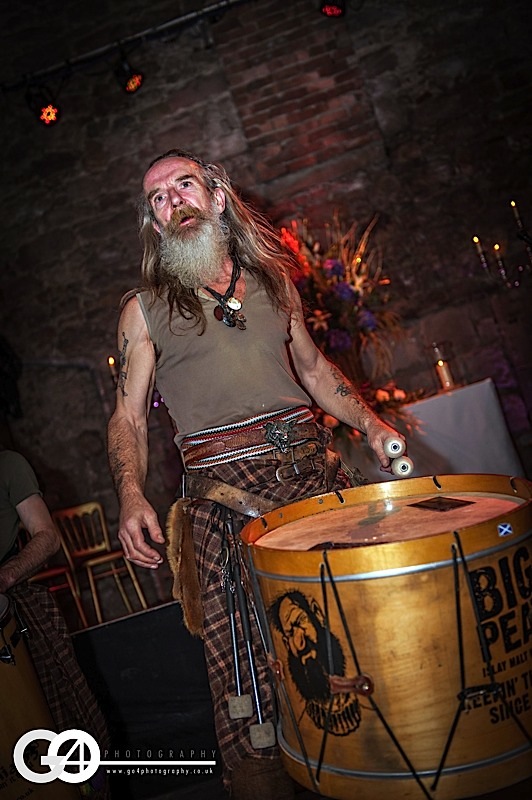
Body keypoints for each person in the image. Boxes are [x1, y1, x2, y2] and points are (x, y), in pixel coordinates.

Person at [107, 149, 406, 798]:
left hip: (314, 481)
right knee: (249, 671)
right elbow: (128, 417)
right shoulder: (144, 310)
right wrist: (131, 495)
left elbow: (315, 370)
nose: (173, 201)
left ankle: (384, 765)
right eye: (158, 198)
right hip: (224, 503)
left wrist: (373, 424)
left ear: (216, 198)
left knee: (360, 627)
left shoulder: (274, 283)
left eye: (184, 185)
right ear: (155, 224)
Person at [0, 448, 110, 798]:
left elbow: (47, 536)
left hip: (14, 608)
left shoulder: (8, 465)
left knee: (64, 724)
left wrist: (4, 577)